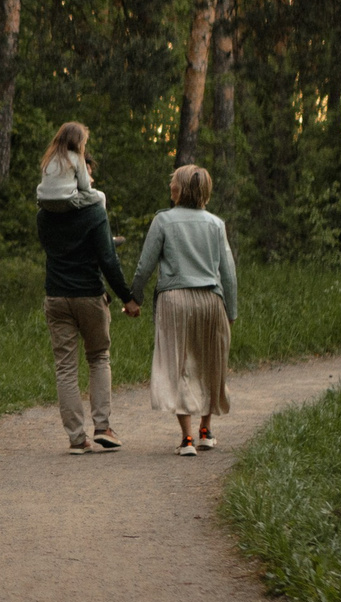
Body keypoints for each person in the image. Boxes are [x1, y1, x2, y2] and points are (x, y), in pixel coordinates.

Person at [35, 122, 139, 454]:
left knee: (65, 368)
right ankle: (103, 426)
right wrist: (127, 297)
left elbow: (57, 248)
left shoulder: (43, 215)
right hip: (89, 296)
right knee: (98, 357)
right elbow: (108, 260)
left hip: (56, 296)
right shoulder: (95, 210)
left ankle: (77, 439)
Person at [129, 163, 238, 457]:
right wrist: (231, 310)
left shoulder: (163, 221)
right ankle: (206, 431)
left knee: (177, 364)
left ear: (181, 189)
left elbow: (144, 265)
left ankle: (186, 439)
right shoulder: (216, 224)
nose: (170, 186)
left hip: (174, 300)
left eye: (173, 182)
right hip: (210, 301)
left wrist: (134, 298)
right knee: (209, 363)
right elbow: (228, 273)